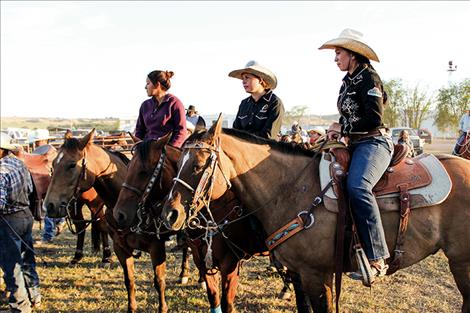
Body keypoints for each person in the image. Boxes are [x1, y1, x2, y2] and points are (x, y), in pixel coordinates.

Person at [320, 28, 394, 281]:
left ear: (353, 54)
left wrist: (342, 129)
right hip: (354, 143)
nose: (335, 58)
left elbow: (374, 117)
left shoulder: (369, 78)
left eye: (338, 52)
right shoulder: (347, 81)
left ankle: (377, 257)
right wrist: (335, 129)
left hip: (374, 142)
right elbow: (347, 115)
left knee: (358, 187)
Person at [0, 135, 41, 312]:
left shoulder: (1, 171)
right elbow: (31, 189)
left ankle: (20, 307)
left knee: (11, 265)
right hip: (25, 215)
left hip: (9, 220)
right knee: (27, 259)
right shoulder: (19, 163)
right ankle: (34, 297)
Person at [28, 130, 66, 246]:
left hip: (49, 182)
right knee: (49, 208)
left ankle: (48, 235)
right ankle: (61, 221)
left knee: (46, 208)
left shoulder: (49, 152)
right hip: (52, 182)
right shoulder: (50, 151)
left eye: (37, 142)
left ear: (42, 140)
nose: (36, 144)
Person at [230, 60, 285, 140]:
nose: (243, 81)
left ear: (261, 80)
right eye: (243, 78)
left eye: (247, 78)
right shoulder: (244, 104)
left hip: (265, 151)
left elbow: (268, 136)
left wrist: (243, 138)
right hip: (242, 150)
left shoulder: (275, 103)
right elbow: (235, 131)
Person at [134, 70, 187, 148]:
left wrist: (170, 149)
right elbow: (139, 130)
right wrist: (138, 148)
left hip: (166, 150)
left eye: (148, 83)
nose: (145, 87)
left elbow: (181, 131)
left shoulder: (175, 103)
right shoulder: (145, 105)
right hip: (146, 150)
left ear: (157, 84)